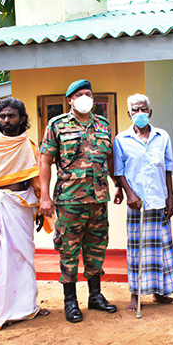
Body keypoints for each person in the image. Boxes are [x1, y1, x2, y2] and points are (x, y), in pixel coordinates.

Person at [39, 79, 121, 323]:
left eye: (89, 93)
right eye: (80, 94)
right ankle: (70, 301)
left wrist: (117, 184)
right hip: (69, 201)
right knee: (69, 250)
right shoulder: (57, 124)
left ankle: (95, 296)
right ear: (70, 100)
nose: (85, 97)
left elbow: (109, 159)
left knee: (96, 249)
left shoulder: (103, 124)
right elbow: (44, 161)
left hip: (98, 201)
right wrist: (44, 197)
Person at [0, 97, 50, 331]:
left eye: (11, 115)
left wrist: (39, 207)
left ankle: (28, 307)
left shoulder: (27, 144)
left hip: (24, 204)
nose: (6, 120)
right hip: (2, 204)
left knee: (25, 256)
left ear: (22, 118)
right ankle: (3, 312)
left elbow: (34, 179)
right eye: (2, 116)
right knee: (3, 259)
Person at [114, 94, 173, 312]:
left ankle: (161, 293)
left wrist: (171, 196)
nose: (139, 113)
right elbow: (119, 171)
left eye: (143, 109)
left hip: (159, 199)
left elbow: (168, 168)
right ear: (129, 114)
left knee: (161, 247)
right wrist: (129, 193)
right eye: (135, 110)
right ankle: (135, 294)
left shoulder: (163, 136)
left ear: (149, 112)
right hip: (137, 203)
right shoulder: (122, 140)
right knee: (137, 249)